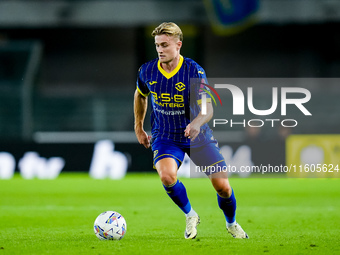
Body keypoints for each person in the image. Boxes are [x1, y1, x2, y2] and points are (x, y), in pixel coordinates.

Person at [134, 22, 248, 239]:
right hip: (165, 136)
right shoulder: (147, 70)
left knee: (223, 187)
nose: (159, 49)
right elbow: (140, 94)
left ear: (178, 45)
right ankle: (190, 215)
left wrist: (196, 123)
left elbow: (208, 108)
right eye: (157, 45)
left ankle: (231, 223)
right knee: (167, 176)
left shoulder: (193, 71)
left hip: (198, 137)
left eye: (165, 45)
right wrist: (138, 127)